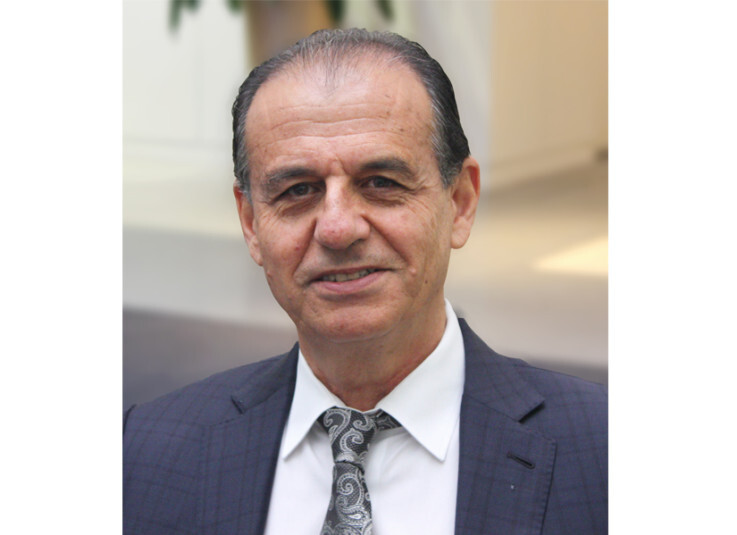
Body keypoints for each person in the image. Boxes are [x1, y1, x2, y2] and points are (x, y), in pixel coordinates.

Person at [123, 29, 607, 535]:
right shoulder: (145, 456)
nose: (337, 228)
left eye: (380, 183)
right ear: (251, 224)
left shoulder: (604, 455)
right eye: (298, 190)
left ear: (460, 203)